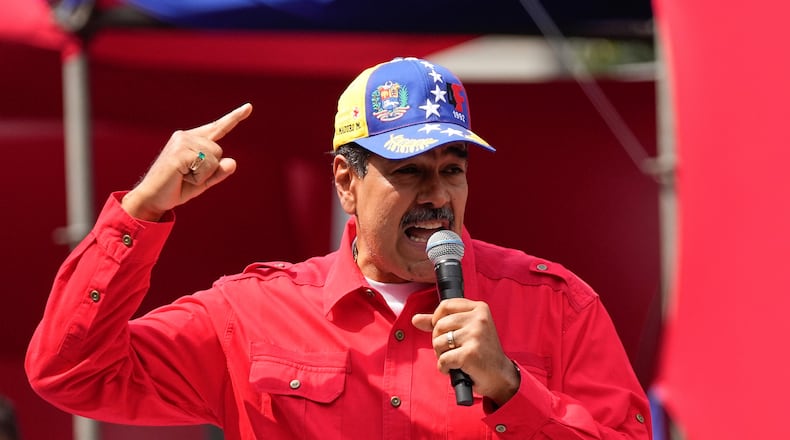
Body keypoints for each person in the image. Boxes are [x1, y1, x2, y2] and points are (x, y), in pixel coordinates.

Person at [25, 57, 651, 439]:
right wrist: (143, 209)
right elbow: (72, 372)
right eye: (409, 171)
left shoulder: (557, 305)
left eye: (452, 169)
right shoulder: (250, 314)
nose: (437, 194)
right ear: (346, 183)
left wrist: (513, 390)